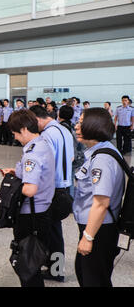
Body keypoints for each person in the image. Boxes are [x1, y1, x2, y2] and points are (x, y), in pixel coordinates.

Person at [2, 109, 55, 287]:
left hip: (30, 215)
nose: (15, 137)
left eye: (15, 133)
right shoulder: (42, 143)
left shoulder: (32, 153)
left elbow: (30, 190)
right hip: (44, 210)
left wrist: (15, 187)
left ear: (24, 129)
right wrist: (16, 171)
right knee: (34, 262)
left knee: (27, 265)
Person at [73, 108, 123, 287]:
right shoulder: (101, 149)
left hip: (99, 229)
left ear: (93, 126)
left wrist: (88, 237)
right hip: (98, 227)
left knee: (94, 280)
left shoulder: (101, 159)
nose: (76, 126)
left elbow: (101, 203)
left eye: (80, 123)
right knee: (87, 272)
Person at [30, 105, 74, 282]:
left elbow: (44, 164)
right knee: (56, 232)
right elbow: (70, 158)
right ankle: (56, 269)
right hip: (64, 186)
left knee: (52, 233)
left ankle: (56, 271)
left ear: (37, 119)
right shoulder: (64, 130)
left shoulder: (47, 135)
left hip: (52, 188)